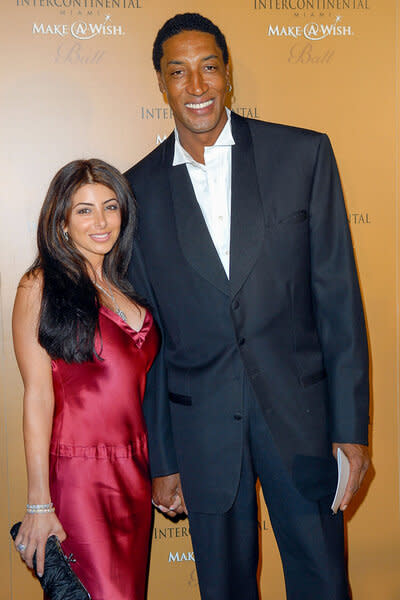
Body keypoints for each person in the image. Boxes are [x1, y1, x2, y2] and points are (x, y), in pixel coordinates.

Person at [125, 12, 370, 600]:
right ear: (161, 83)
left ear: (227, 73)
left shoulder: (302, 155)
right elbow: (150, 343)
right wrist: (163, 458)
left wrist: (351, 429)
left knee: (324, 583)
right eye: (178, 72)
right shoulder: (136, 192)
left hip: (303, 420)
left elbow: (338, 301)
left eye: (209, 67)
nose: (197, 86)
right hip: (201, 431)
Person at [12, 159, 159, 600]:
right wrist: (39, 504)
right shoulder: (39, 287)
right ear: (60, 221)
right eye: (84, 210)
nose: (101, 221)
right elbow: (37, 397)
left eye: (110, 207)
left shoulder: (127, 285)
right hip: (79, 478)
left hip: (134, 475)